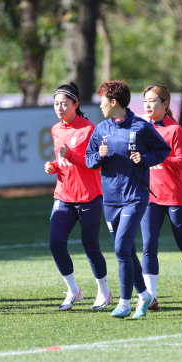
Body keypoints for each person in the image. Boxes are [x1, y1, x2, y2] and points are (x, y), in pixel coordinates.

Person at [86, 80, 171, 319]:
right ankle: (144, 295)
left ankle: (124, 302)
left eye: (102, 100)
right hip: (110, 199)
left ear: (113, 102)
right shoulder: (101, 128)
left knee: (121, 248)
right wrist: (99, 156)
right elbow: (89, 159)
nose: (100, 105)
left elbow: (162, 150)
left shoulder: (141, 127)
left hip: (135, 197)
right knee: (127, 252)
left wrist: (143, 158)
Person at [44, 82, 112, 311]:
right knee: (55, 243)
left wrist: (71, 155)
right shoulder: (55, 130)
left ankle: (104, 291)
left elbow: (95, 165)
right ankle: (73, 290)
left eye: (64, 103)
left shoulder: (89, 130)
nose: (59, 108)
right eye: (56, 104)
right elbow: (62, 160)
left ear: (76, 104)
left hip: (89, 196)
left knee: (90, 245)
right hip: (63, 195)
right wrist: (53, 165)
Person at [139, 85, 182, 311]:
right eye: (145, 101)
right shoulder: (141, 127)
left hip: (175, 197)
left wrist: (159, 155)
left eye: (153, 101)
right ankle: (151, 297)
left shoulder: (174, 130)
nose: (148, 105)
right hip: (149, 197)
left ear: (166, 104)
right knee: (148, 245)